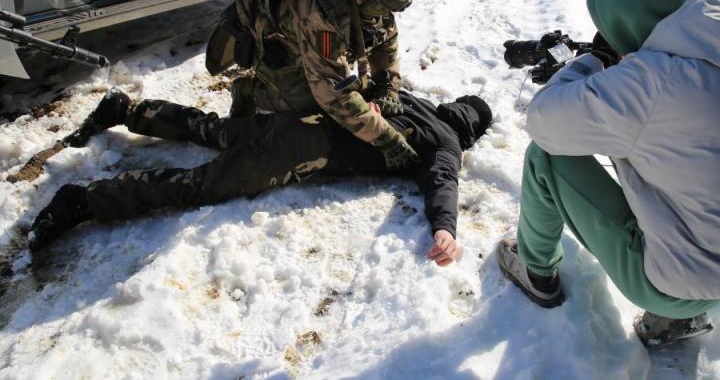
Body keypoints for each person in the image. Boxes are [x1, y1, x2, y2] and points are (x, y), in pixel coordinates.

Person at [495, 0, 720, 347]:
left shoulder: (654, 82)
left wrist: (596, 59)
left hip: (676, 284)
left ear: (629, 19)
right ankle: (676, 319)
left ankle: (535, 270)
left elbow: (544, 122)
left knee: (546, 158)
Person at [29, 88, 493, 267]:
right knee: (204, 184)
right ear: (470, 131)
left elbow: (361, 91)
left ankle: (128, 109)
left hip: (293, 119)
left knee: (215, 129)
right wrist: (444, 229)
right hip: (302, 150)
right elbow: (442, 182)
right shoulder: (445, 141)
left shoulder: (411, 99)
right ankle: (85, 200)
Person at [204, 0, 420, 171]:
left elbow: (386, 37)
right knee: (307, 101)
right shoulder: (321, 12)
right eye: (380, 8)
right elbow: (332, 94)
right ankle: (249, 90)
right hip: (263, 35)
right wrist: (386, 138)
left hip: (297, 28)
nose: (385, 15)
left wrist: (388, 87)